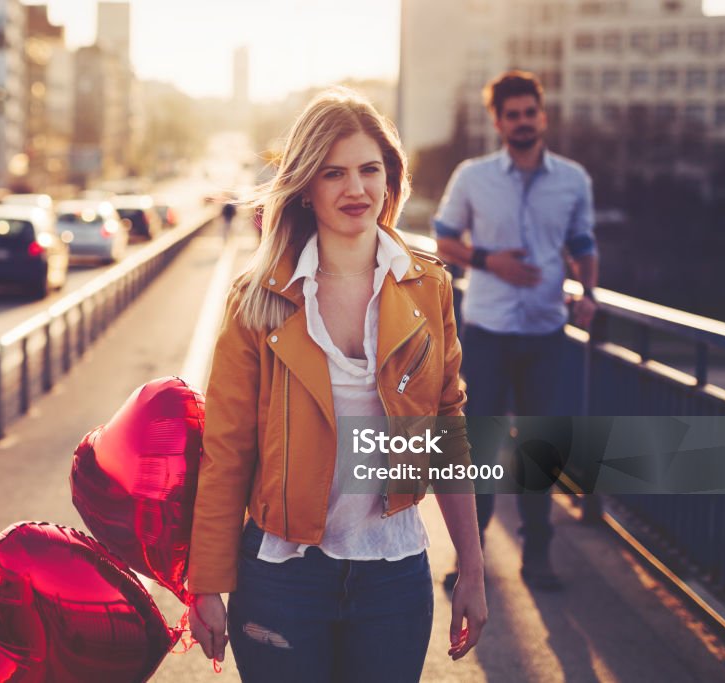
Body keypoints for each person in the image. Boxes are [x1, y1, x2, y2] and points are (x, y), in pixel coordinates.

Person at [188, 87, 487, 682]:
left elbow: (447, 433)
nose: (356, 189)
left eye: (369, 170)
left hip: (393, 576)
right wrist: (207, 583)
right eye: (334, 173)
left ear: (390, 178)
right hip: (282, 578)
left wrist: (473, 570)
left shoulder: (427, 288)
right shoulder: (258, 300)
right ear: (305, 186)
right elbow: (226, 450)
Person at [432, 70, 599, 592]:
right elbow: (443, 240)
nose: (523, 122)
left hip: (547, 332)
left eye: (531, 112)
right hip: (487, 330)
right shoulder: (472, 176)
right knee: (477, 449)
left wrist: (589, 291)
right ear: (499, 121)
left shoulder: (573, 179)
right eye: (513, 115)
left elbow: (582, 242)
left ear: (541, 115)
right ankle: (470, 562)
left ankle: (539, 559)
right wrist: (491, 261)